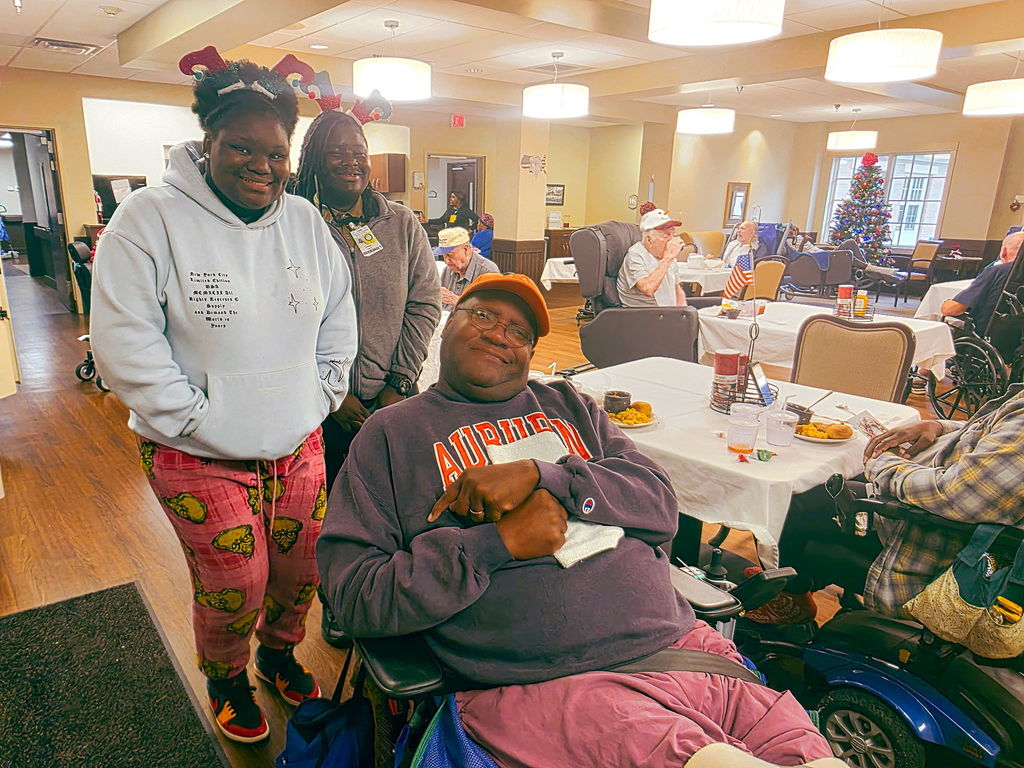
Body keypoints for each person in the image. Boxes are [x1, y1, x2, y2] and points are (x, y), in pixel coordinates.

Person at [317, 272, 842, 768]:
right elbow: (355, 597)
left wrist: (546, 475)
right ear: (446, 322)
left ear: (530, 354)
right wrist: (497, 544)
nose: (499, 334)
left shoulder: (567, 404)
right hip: (543, 682)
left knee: (811, 755)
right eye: (482, 316)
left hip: (682, 649)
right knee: (693, 758)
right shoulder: (392, 434)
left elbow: (659, 505)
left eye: (519, 332)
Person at [90, 49, 358, 743]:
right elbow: (124, 342)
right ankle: (227, 678)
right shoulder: (148, 219)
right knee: (234, 579)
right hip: (193, 448)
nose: (261, 165)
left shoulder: (304, 222)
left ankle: (278, 656)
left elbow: (338, 315)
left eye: (276, 152)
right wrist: (196, 418)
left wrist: (322, 392)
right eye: (241, 147)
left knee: (301, 569)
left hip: (297, 437)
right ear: (207, 140)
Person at [767, 385, 1024, 623]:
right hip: (929, 510)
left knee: (797, 503)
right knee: (824, 487)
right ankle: (796, 587)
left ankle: (790, 602)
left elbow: (957, 496)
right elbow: (989, 434)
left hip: (929, 549)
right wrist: (937, 426)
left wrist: (882, 464)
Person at [291, 98, 441, 493]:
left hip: (392, 400)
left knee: (395, 501)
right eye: (336, 152)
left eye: (359, 152)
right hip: (316, 409)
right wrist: (330, 394)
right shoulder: (292, 224)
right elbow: (282, 321)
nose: (351, 162)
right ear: (314, 160)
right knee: (325, 508)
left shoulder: (401, 223)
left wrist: (400, 382)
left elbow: (424, 304)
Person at [940, 231, 1024, 334]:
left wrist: (947, 304)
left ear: (1003, 252)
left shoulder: (997, 271)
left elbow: (952, 310)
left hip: (986, 335)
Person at [616, 207, 688, 308]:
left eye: (673, 234)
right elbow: (647, 288)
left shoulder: (668, 257)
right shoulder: (635, 255)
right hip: (644, 314)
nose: (672, 240)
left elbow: (676, 289)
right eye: (666, 236)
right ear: (649, 240)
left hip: (667, 313)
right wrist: (667, 259)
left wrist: (684, 311)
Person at [437, 226, 498, 308]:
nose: (446, 261)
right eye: (443, 255)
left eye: (450, 255)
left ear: (465, 249)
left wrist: (457, 301)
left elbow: (491, 310)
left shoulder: (488, 271)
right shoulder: (448, 269)